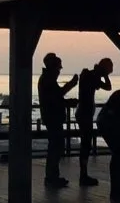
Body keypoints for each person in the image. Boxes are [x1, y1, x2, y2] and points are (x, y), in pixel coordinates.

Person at [37, 53, 78, 187]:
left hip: (51, 117)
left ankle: (52, 176)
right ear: (53, 67)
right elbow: (56, 97)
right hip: (52, 117)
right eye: (58, 68)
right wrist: (71, 85)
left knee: (55, 147)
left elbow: (55, 98)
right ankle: (51, 177)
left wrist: (65, 101)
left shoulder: (47, 79)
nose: (59, 71)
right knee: (55, 147)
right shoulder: (47, 80)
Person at [76, 57, 113, 186]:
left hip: (83, 113)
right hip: (84, 114)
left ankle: (83, 174)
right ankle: (83, 175)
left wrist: (103, 74)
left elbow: (107, 87)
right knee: (86, 144)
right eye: (108, 71)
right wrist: (105, 76)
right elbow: (108, 87)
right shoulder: (91, 76)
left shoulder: (89, 75)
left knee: (86, 144)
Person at [95, 87, 120, 200]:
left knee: (118, 155)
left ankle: (116, 190)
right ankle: (118, 191)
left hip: (104, 119)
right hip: (112, 121)